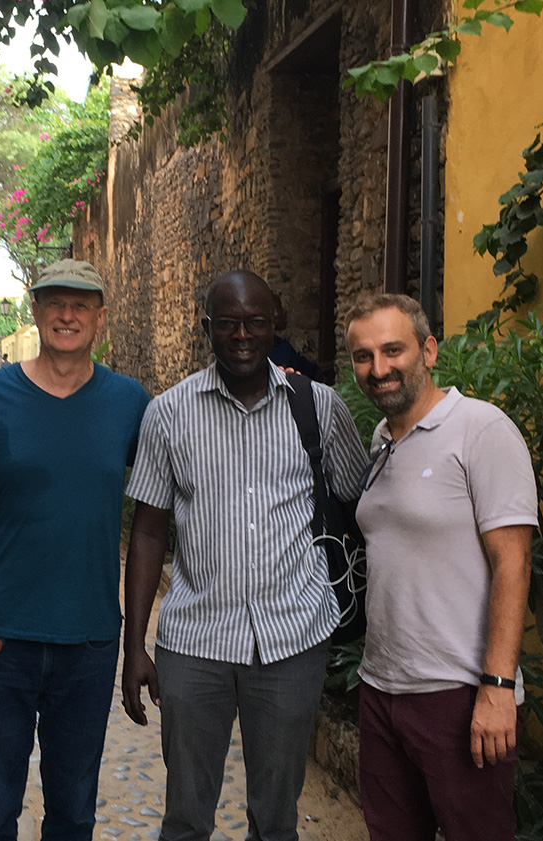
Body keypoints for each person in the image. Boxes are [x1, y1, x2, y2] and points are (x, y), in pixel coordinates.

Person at [122, 270, 368, 841]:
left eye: (255, 322)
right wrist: (134, 645)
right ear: (206, 327)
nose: (241, 335)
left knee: (276, 819)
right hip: (195, 642)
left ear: (275, 323)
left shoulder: (320, 409)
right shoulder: (169, 414)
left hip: (293, 638)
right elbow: (148, 532)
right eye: (227, 323)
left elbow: (364, 506)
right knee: (185, 816)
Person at [0, 259, 150, 841]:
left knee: (73, 814)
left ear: (100, 318)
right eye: (55, 303)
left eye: (81, 304)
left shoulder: (130, 402)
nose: (67, 315)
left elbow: (160, 508)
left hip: (88, 642)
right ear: (36, 312)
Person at [343, 293, 536, 841]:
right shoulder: (382, 441)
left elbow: (513, 560)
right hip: (382, 689)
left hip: (458, 694)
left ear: (428, 350)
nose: (378, 369)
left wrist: (497, 686)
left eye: (392, 350)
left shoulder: (481, 429)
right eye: (363, 356)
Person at [268, 292, 320, 380]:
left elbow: (308, 369)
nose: (284, 311)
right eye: (279, 307)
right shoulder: (276, 347)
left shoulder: (281, 345)